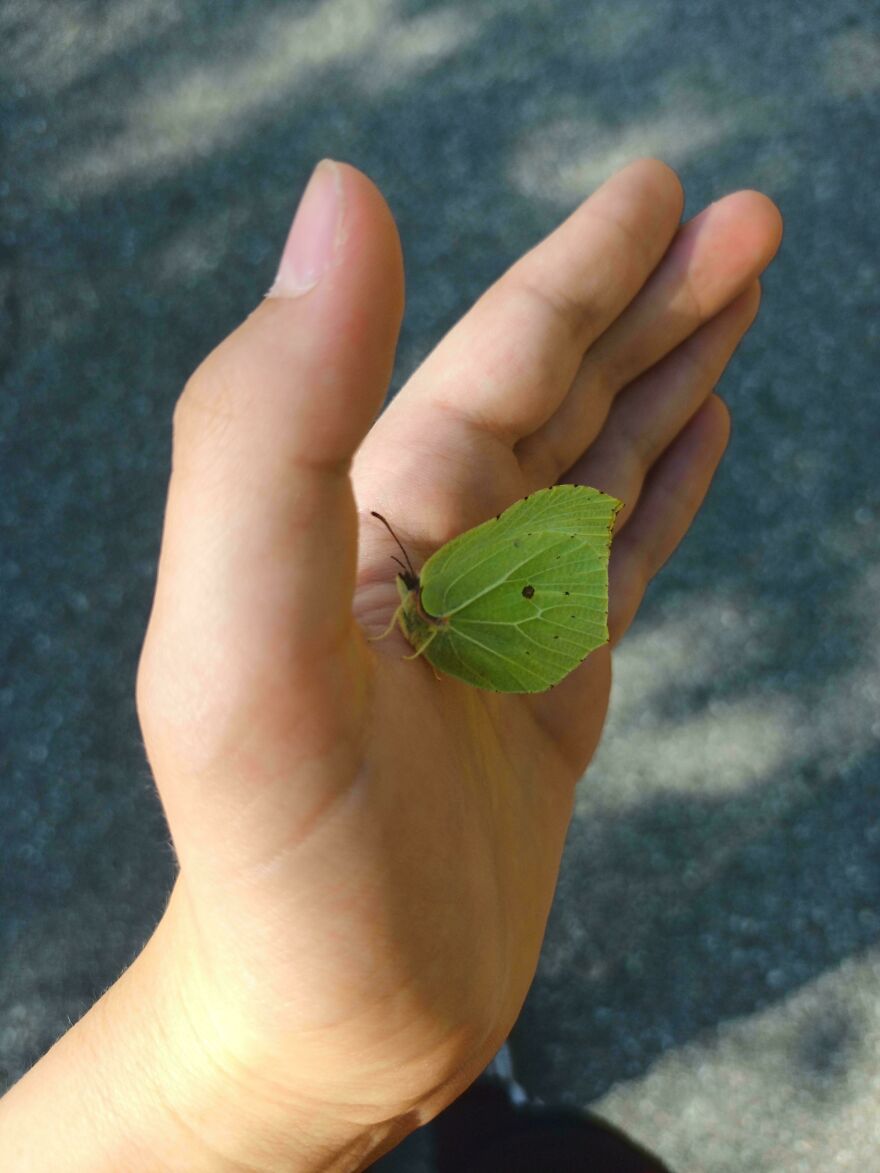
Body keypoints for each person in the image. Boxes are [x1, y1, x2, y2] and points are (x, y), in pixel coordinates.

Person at [0, 157, 782, 1170]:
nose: (405, 597)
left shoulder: (430, 605)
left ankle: (474, 1104)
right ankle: (483, 1105)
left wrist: (255, 1083)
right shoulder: (420, 613)